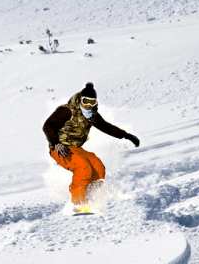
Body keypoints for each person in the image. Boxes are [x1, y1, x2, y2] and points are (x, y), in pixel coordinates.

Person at [42, 83, 140, 213]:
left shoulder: (91, 115)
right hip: (60, 148)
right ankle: (78, 204)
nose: (88, 105)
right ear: (80, 99)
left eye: (91, 102)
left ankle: (91, 199)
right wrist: (55, 143)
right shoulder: (67, 110)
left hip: (75, 148)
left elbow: (106, 127)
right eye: (85, 101)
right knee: (83, 167)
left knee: (98, 167)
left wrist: (126, 135)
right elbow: (48, 126)